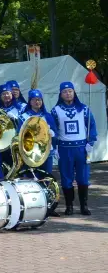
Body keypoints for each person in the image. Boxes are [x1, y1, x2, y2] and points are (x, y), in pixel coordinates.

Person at [50, 81, 97, 215]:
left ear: (74, 92)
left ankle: (84, 206)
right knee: (66, 177)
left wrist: (91, 142)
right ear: (61, 94)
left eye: (70, 91)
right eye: (65, 92)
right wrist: (55, 147)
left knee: (83, 177)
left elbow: (92, 125)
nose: (68, 93)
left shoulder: (84, 109)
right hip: (65, 149)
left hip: (81, 148)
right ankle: (69, 206)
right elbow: (52, 130)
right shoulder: (55, 110)